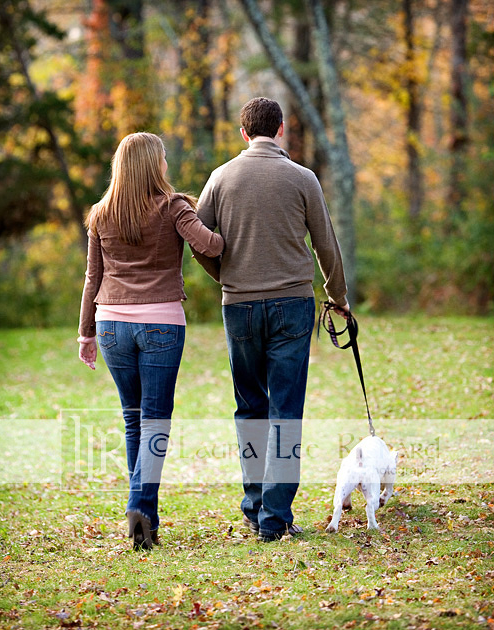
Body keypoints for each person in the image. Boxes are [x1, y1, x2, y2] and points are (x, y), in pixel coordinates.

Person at [193, 97, 349, 542]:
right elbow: (326, 245)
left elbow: (199, 241)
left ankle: (255, 504)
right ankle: (275, 518)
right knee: (285, 409)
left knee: (249, 406)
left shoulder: (220, 178)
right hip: (292, 306)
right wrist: (338, 297)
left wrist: (226, 277)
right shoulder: (303, 178)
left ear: (244, 133)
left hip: (238, 306)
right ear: (280, 129)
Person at [77, 132, 224, 550]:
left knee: (134, 419)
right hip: (160, 323)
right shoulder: (174, 206)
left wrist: (86, 332)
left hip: (110, 326)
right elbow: (210, 245)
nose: (165, 164)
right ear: (152, 164)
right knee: (154, 421)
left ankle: (146, 521)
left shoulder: (101, 213)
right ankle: (139, 509)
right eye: (161, 157)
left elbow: (93, 278)